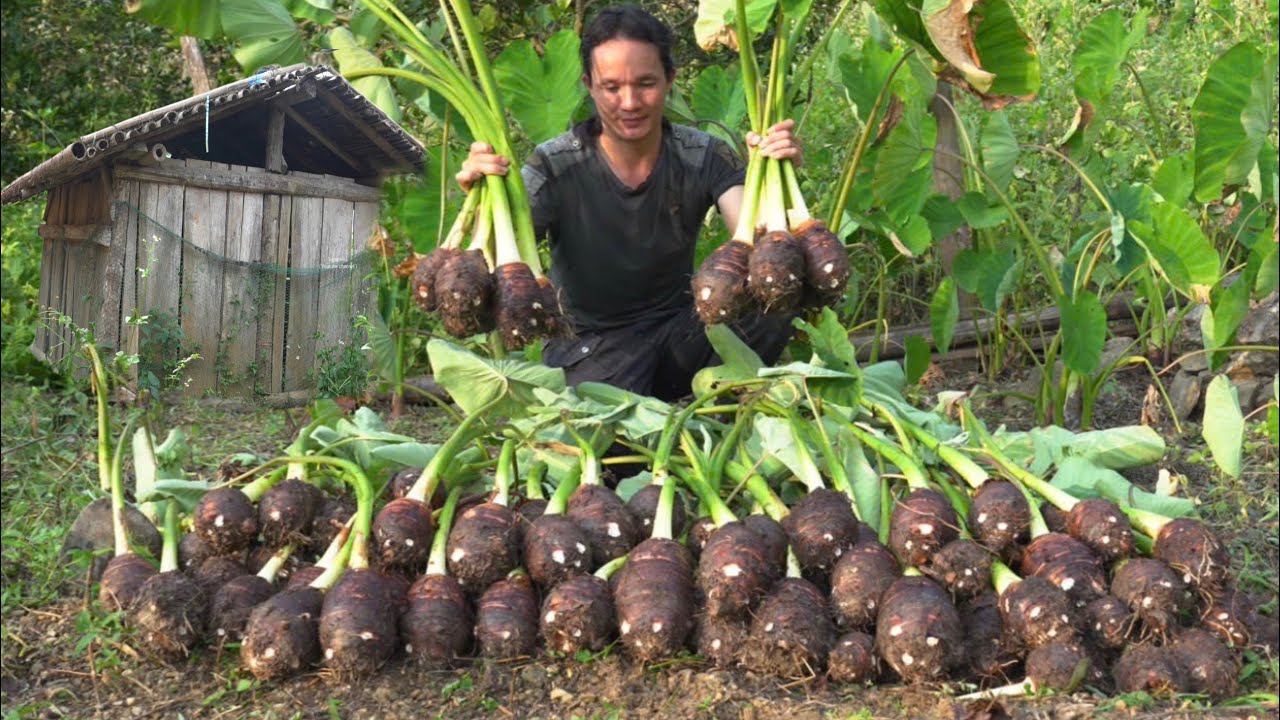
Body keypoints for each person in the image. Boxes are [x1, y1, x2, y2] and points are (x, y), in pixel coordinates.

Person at [457, 4, 803, 401]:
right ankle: (678, 413)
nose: (630, 102)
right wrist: (482, 198)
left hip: (678, 333)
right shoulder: (554, 165)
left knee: (773, 303)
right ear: (589, 85)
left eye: (645, 83)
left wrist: (779, 175)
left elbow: (756, 243)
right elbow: (503, 259)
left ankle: (704, 405)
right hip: (592, 346)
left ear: (670, 79)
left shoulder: (701, 154)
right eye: (612, 87)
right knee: (618, 450)